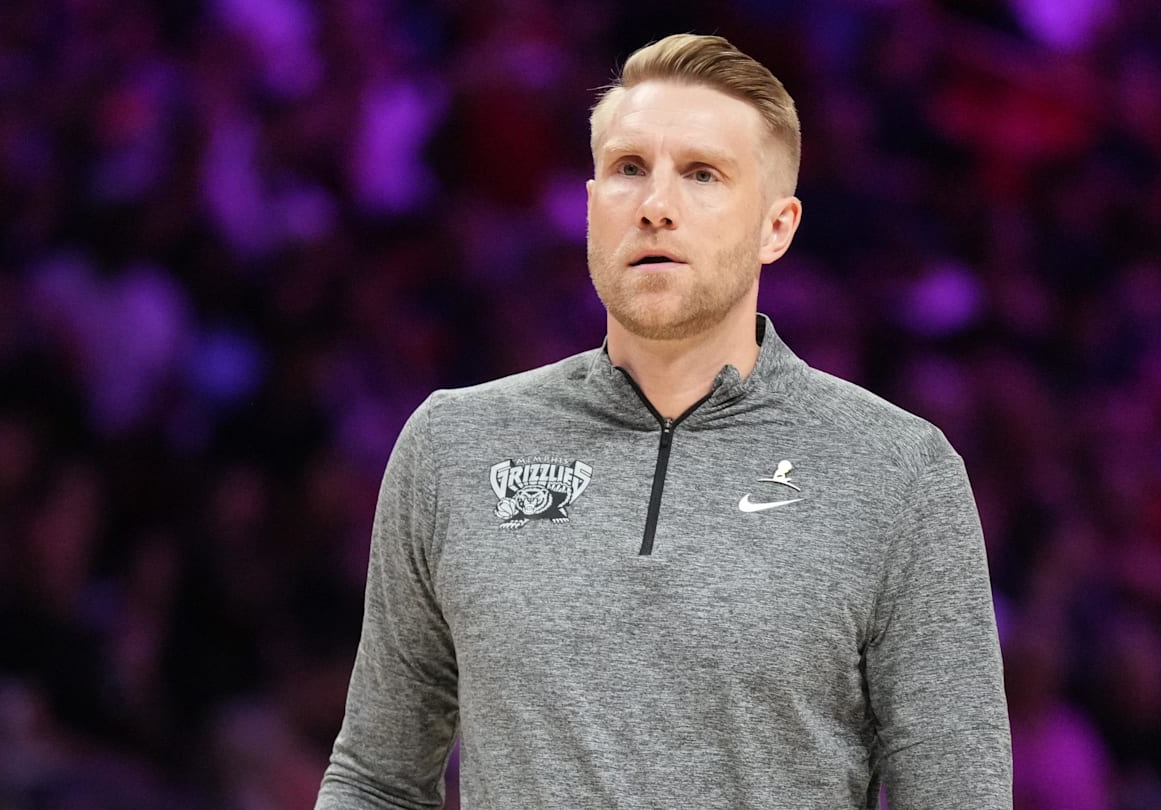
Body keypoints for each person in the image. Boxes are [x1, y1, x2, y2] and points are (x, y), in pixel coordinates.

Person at [316, 33, 1011, 809]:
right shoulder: (453, 446)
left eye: (702, 174)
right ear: (590, 210)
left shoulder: (899, 472)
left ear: (776, 227)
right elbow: (375, 780)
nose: (655, 206)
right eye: (628, 169)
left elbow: (958, 795)